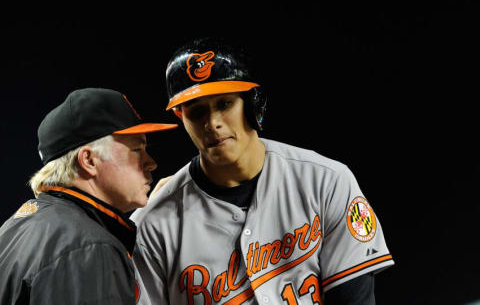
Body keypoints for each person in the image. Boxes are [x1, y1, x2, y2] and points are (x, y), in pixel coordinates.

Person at [131, 37, 394, 305]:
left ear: (251, 102)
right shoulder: (152, 225)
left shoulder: (326, 182)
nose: (213, 123)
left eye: (224, 104)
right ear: (180, 117)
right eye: (197, 112)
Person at [0, 88, 178, 304]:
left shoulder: (19, 225)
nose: (151, 162)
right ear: (89, 160)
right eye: (137, 149)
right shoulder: (91, 248)